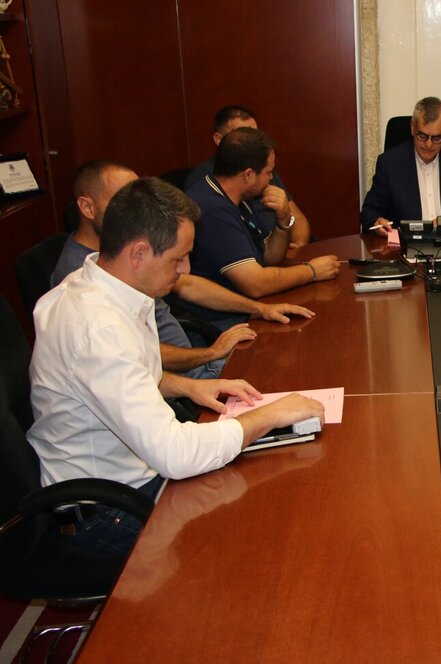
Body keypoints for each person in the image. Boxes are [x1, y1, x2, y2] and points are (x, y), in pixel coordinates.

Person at [28, 178, 326, 554]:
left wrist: (188, 386)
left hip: (137, 475)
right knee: (260, 532)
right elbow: (175, 455)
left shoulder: (102, 284)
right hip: (109, 510)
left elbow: (121, 376)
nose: (184, 269)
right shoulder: (98, 327)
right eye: (177, 258)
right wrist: (270, 415)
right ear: (138, 253)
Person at [53, 160, 315, 379]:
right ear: (87, 207)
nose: (138, 210)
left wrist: (258, 309)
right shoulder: (83, 278)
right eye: (123, 200)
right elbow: (129, 357)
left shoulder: (128, 253)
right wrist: (210, 353)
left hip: (194, 363)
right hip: (184, 374)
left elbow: (189, 285)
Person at [183, 127, 340, 328]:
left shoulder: (239, 197)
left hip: (249, 309)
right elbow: (255, 284)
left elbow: (269, 257)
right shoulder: (212, 209)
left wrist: (284, 219)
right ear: (248, 175)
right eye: (268, 172)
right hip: (222, 321)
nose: (271, 178)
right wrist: (312, 271)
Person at [184, 104, 312, 248]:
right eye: (243, 134)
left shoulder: (264, 169)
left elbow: (296, 216)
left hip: (275, 249)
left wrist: (298, 248)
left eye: (255, 134)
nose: (253, 141)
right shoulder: (207, 181)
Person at [360, 96, 441, 233]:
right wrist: (377, 221)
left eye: (436, 138)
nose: (428, 144)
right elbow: (369, 211)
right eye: (422, 136)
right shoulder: (389, 163)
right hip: (406, 243)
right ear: (412, 128)